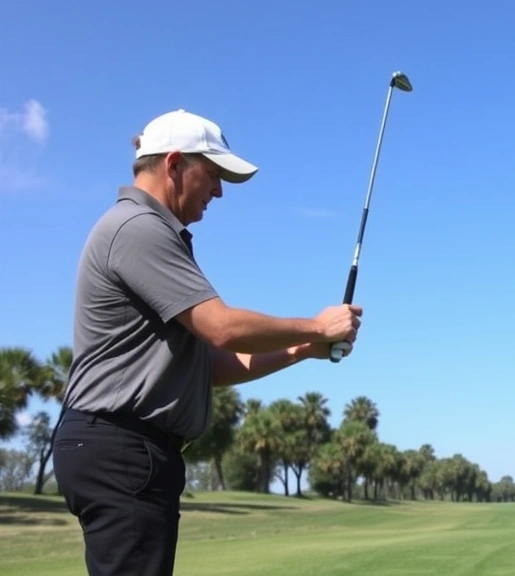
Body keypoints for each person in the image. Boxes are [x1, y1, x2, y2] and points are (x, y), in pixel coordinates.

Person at [51, 108, 363, 576]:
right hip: (122, 447)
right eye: (212, 174)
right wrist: (317, 327)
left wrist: (303, 350)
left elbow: (213, 364)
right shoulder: (137, 228)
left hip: (128, 448)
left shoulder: (153, 233)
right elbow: (221, 326)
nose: (218, 191)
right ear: (174, 164)